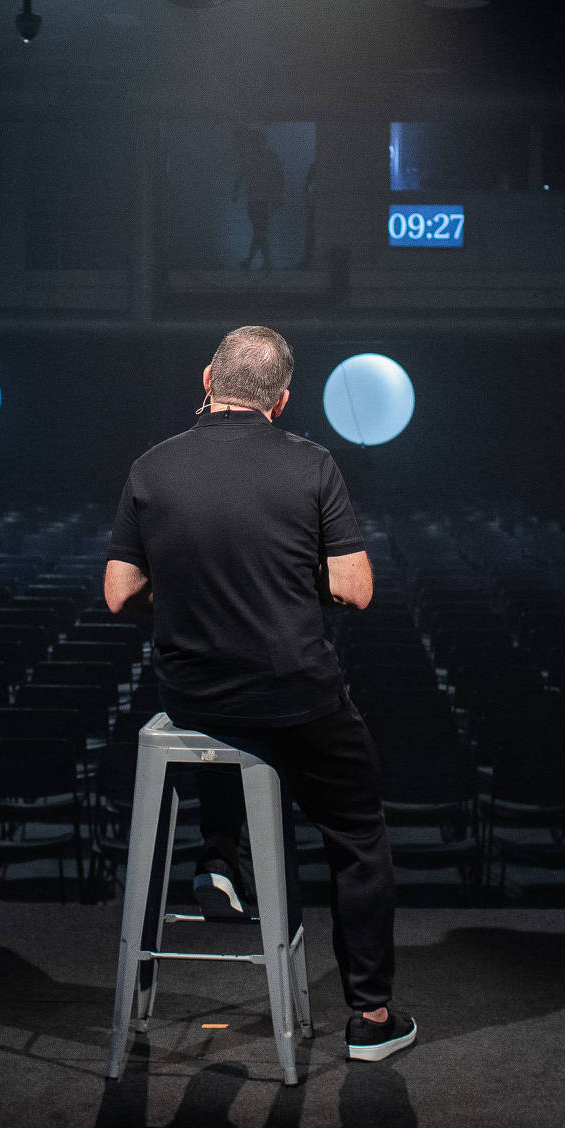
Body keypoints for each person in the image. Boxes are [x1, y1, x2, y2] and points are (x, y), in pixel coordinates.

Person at [103, 324, 416, 1063]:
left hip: (196, 697)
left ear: (206, 382)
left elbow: (120, 594)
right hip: (293, 693)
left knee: (231, 724)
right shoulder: (312, 465)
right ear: (280, 400)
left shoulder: (152, 467)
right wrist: (286, 587)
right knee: (359, 835)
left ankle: (218, 853)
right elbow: (356, 590)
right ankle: (370, 1020)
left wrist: (190, 591)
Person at [231, 127, 286, 271]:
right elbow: (240, 176)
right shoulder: (253, 158)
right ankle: (264, 262)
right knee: (260, 230)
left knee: (260, 230)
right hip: (256, 199)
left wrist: (278, 194)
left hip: (262, 199)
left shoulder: (266, 158)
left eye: (257, 141)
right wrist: (235, 192)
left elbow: (280, 177)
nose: (256, 144)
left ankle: (252, 261)